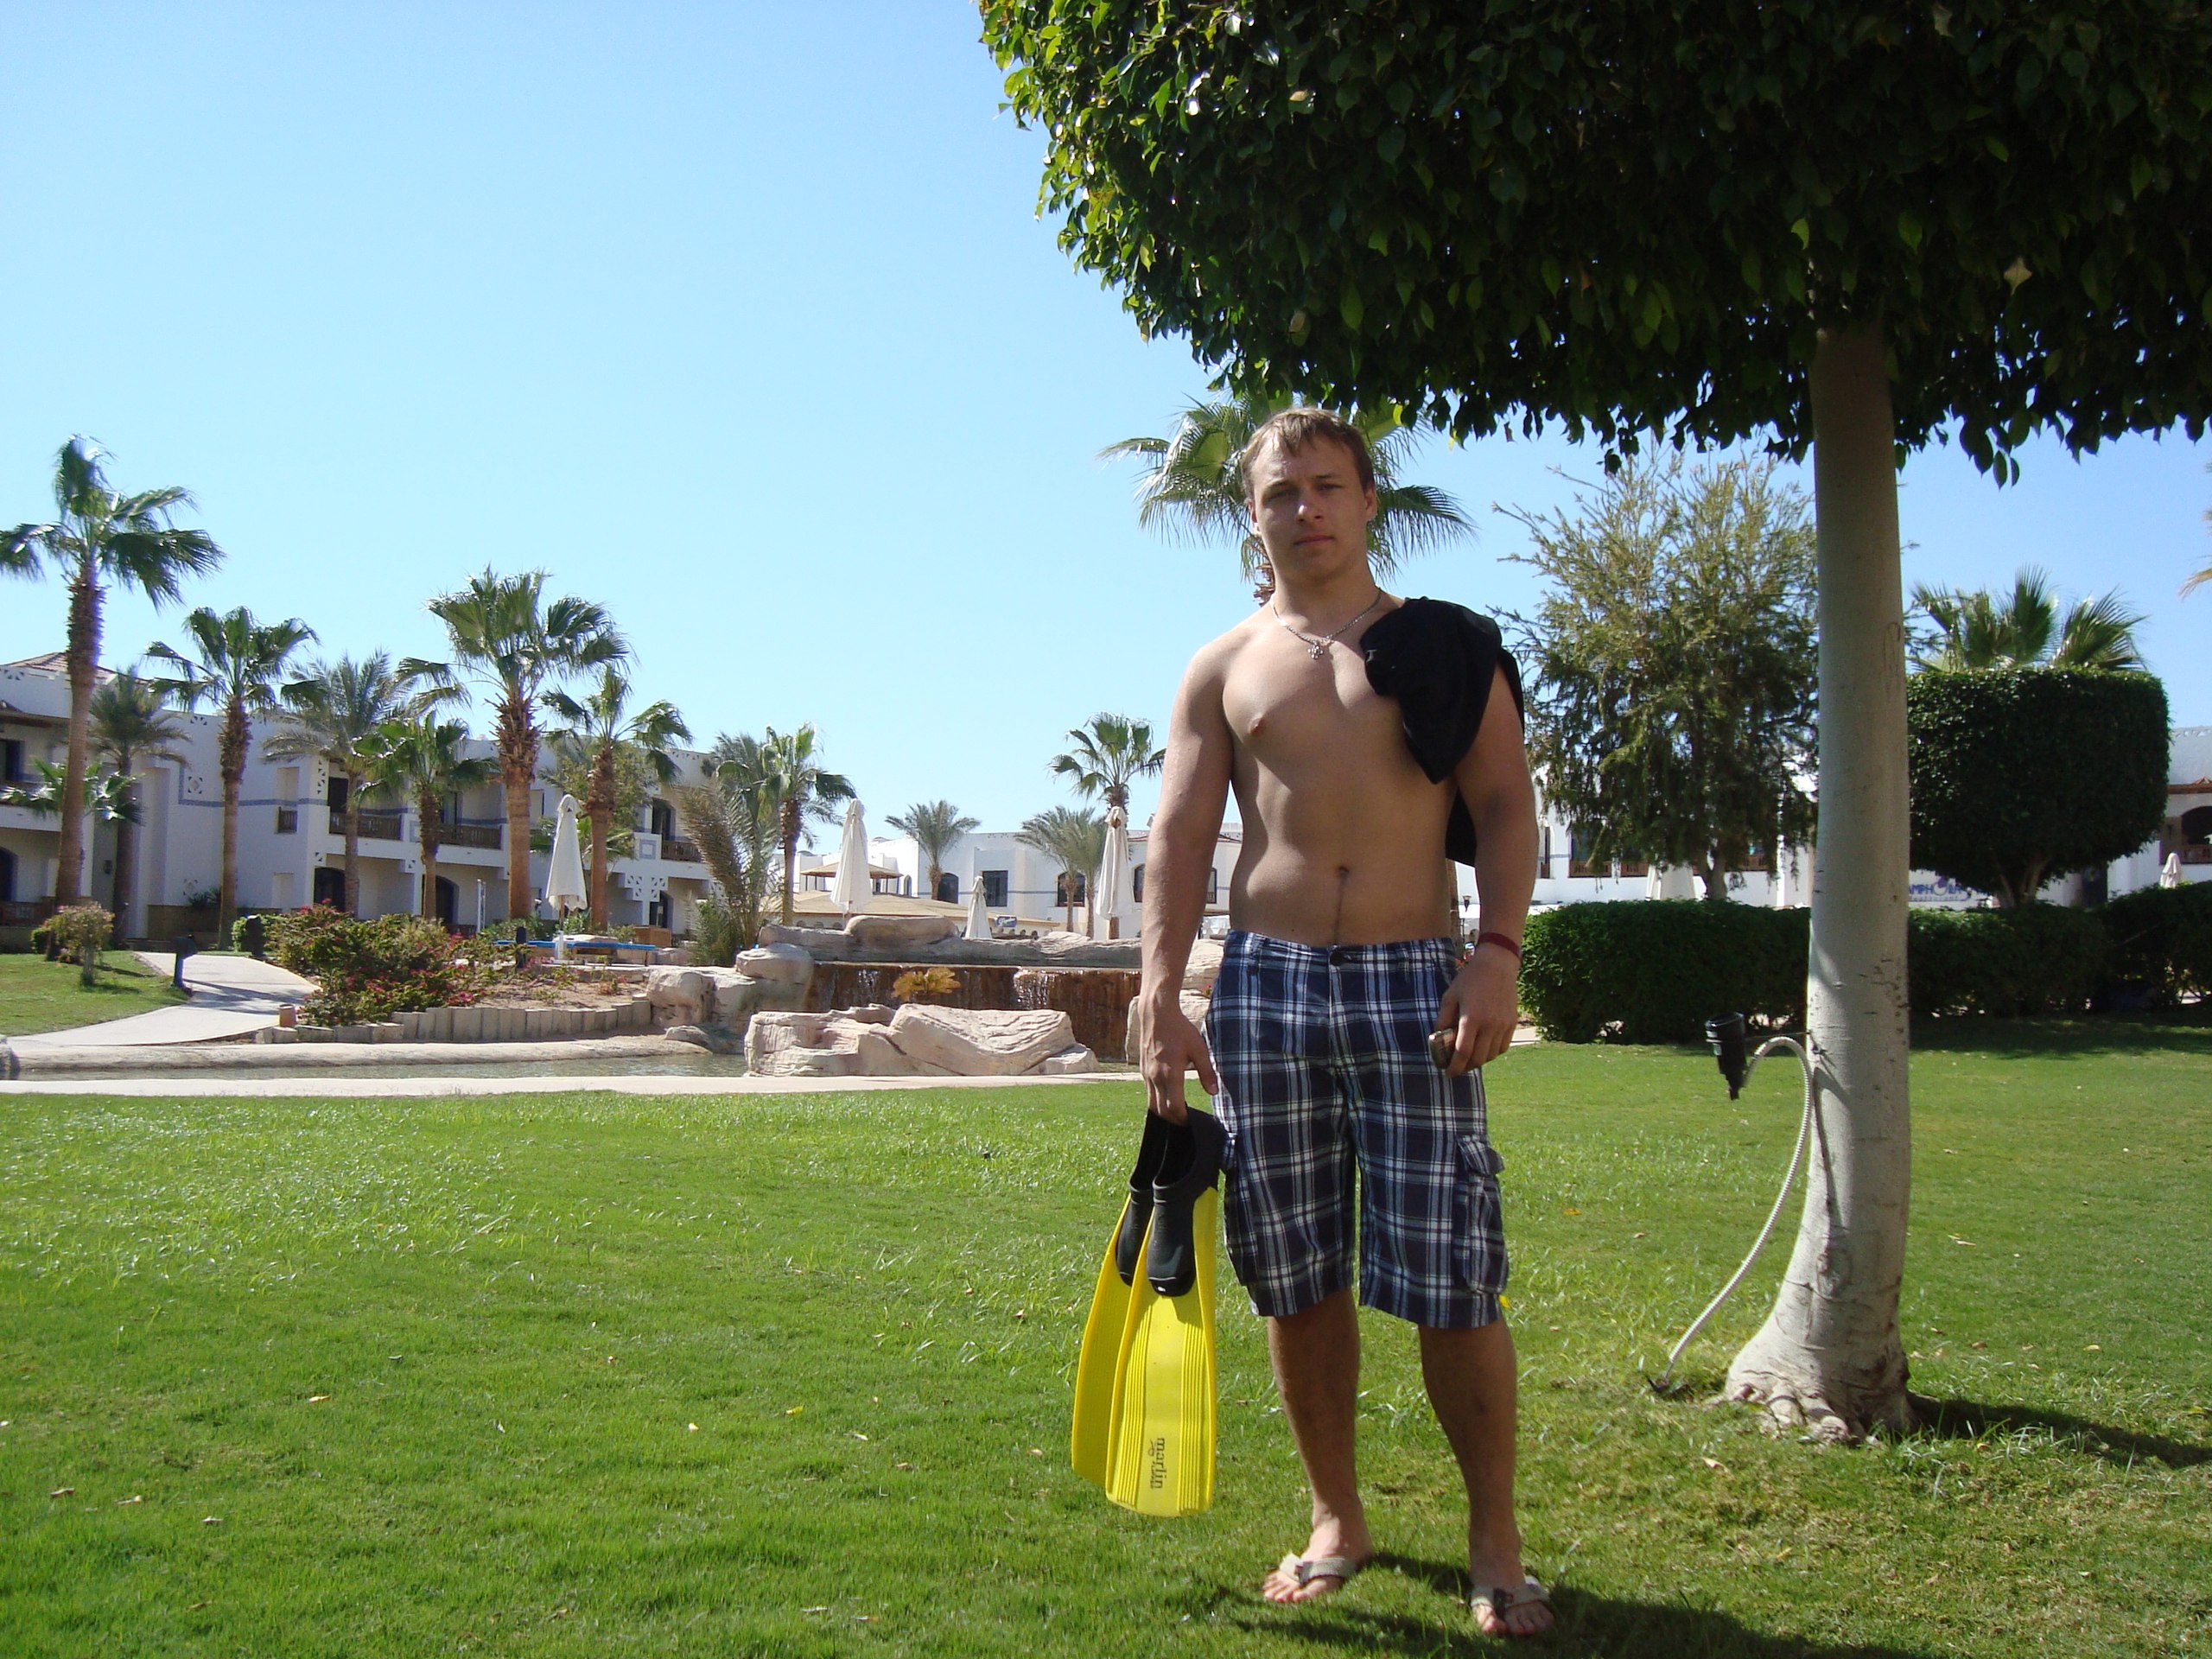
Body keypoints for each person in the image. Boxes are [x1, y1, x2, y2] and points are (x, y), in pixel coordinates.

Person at [1136, 406, 1549, 1638]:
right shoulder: (1223, 667)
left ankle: (1495, 1542)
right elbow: (1179, 835)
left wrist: (1497, 955)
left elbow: (1507, 807)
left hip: (1416, 983)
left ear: (1370, 502)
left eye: (1327, 487)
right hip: (1265, 990)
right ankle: (1336, 1520)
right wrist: (1160, 994)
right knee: (1295, 1273)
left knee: (1452, 1275)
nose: (1305, 509)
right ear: (1252, 515)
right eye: (1281, 492)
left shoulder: (1446, 646)